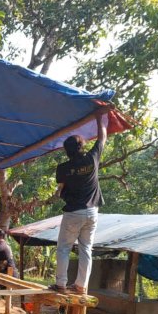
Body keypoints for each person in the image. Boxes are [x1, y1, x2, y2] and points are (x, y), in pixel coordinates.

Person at [51, 109, 110, 295]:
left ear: (66, 151)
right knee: (86, 248)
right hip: (92, 211)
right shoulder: (92, 159)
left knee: (64, 248)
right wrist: (100, 117)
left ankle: (60, 284)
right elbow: (102, 138)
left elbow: (60, 187)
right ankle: (80, 286)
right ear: (82, 147)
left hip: (73, 213)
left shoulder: (62, 168)